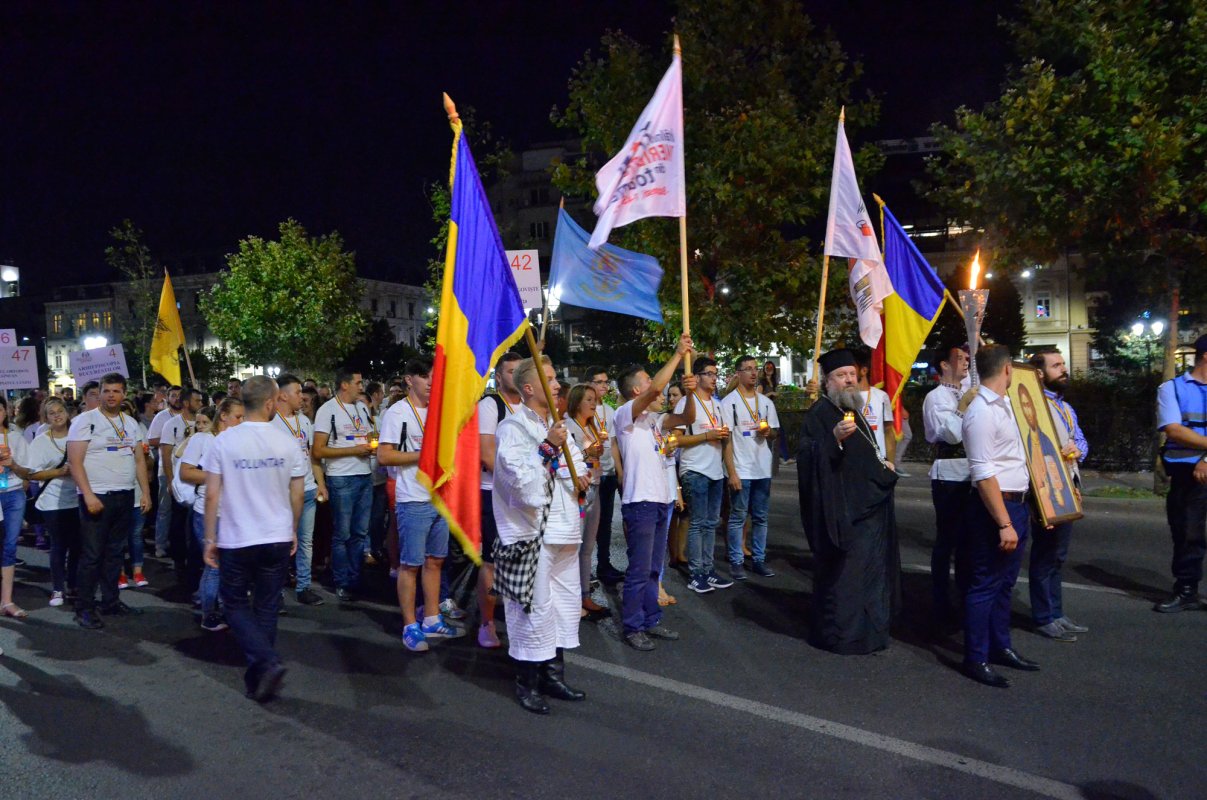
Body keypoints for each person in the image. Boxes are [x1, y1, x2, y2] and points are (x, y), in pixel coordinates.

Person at [491, 355, 591, 713]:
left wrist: (582, 475)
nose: (557, 385)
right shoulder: (513, 428)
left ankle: (553, 676)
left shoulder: (557, 423)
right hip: (534, 533)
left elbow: (578, 467)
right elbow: (523, 486)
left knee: (563, 607)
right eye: (549, 379)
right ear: (529, 388)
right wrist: (548, 447)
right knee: (533, 609)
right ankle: (527, 682)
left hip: (565, 529)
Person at [202, 376, 305, 701]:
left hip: (237, 536)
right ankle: (261, 669)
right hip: (275, 534)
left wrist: (209, 537)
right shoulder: (287, 442)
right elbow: (298, 492)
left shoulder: (224, 441)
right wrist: (292, 528)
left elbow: (211, 495)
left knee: (234, 604)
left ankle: (265, 662)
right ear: (271, 402)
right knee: (266, 605)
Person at [796, 348, 899, 655]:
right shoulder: (820, 414)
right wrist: (833, 440)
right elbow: (807, 458)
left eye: (853, 375)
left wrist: (883, 465)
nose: (849, 381)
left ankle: (870, 633)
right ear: (827, 382)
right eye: (841, 376)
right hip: (843, 515)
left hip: (866, 511)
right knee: (846, 580)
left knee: (869, 576)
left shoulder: (850, 409)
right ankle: (842, 636)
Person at [961, 344, 1039, 687]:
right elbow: (983, 473)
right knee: (985, 583)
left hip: (1018, 504)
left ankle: (1000, 647)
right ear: (1007, 369)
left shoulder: (1007, 405)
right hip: (996, 509)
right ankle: (975, 657)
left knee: (1005, 583)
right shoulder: (981, 412)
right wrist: (1004, 523)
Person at [614, 334, 697, 651]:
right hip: (640, 503)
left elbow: (688, 418)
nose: (654, 385)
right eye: (646, 380)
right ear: (636, 390)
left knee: (652, 568)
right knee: (638, 569)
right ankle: (632, 626)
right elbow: (655, 390)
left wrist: (689, 395)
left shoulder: (657, 421)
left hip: (661, 500)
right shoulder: (626, 416)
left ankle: (650, 620)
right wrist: (678, 355)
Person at [377, 356, 465, 652]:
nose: (431, 383)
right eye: (426, 377)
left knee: (435, 561)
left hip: (440, 498)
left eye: (435, 377)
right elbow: (385, 456)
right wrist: (424, 455)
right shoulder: (397, 412)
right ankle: (409, 626)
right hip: (413, 498)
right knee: (410, 564)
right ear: (409, 380)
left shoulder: (439, 412)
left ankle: (431, 618)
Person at [66, 372, 152, 630]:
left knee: (115, 552)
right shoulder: (84, 421)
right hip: (97, 496)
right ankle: (84, 607)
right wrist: (88, 495)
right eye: (106, 391)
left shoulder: (131, 423)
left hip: (125, 495)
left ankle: (111, 601)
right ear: (99, 393)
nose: (111, 395)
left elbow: (138, 460)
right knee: (92, 555)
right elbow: (75, 462)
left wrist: (145, 492)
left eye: (116, 391)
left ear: (124, 394)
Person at [1028, 347, 1090, 639]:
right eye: (1056, 365)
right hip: (1047, 489)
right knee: (1044, 553)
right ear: (1040, 373)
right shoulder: (1034, 406)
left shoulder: (1066, 407)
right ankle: (1043, 616)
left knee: (1058, 555)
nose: (1063, 369)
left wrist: (1078, 449)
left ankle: (1057, 612)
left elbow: (1081, 442)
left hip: (1069, 487)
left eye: (1063, 363)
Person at [922, 342, 976, 624]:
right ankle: (941, 601)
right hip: (949, 475)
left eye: (967, 358)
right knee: (948, 540)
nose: (966, 361)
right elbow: (951, 435)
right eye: (959, 357)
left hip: (973, 474)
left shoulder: (967, 388)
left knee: (969, 541)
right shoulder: (936, 397)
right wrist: (963, 406)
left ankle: (966, 598)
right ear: (944, 364)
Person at [1154, 333, 1207, 612]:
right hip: (1186, 474)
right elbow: (1173, 430)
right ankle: (1187, 590)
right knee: (1187, 532)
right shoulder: (1171, 388)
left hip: (1200, 469)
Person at [674, 356, 734, 594]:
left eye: (715, 374)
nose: (713, 378)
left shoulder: (717, 405)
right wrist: (706, 437)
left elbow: (726, 439)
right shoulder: (687, 404)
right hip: (695, 470)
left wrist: (732, 472)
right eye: (709, 373)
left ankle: (708, 570)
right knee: (698, 523)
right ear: (696, 377)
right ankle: (696, 573)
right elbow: (676, 440)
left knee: (711, 524)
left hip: (716, 471)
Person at [313, 370, 374, 602]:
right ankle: (341, 581)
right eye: (358, 382)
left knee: (360, 533)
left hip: (365, 475)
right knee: (343, 533)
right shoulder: (327, 410)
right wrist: (353, 450)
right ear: (345, 385)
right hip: (341, 478)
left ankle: (355, 578)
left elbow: (368, 436)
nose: (362, 385)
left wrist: (371, 445)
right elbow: (318, 450)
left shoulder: (361, 407)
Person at [476, 351, 523, 648]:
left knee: (520, 559)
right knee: (492, 562)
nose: (515, 377)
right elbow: (486, 453)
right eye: (510, 371)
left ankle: (518, 619)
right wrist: (516, 483)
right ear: (499, 375)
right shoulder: (491, 405)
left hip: (524, 497)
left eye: (520, 371)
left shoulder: (532, 407)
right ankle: (486, 623)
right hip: (494, 493)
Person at [721, 354, 781, 581]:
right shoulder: (729, 403)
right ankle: (736, 561)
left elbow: (775, 432)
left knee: (761, 517)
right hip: (741, 469)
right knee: (737, 516)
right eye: (747, 369)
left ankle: (758, 560)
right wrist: (732, 472)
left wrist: (769, 433)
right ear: (738, 373)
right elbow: (726, 440)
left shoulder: (765, 402)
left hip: (762, 468)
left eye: (755, 368)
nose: (753, 373)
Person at [271, 375, 327, 606]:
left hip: (307, 489)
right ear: (282, 395)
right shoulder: (270, 423)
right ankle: (277, 592)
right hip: (282, 494)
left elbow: (312, 456)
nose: (302, 397)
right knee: (280, 543)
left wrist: (320, 483)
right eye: (296, 392)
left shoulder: (305, 422)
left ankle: (304, 586)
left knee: (305, 541)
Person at [179, 403, 234, 630]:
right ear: (223, 416)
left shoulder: (236, 440)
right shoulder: (202, 440)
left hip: (232, 512)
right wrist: (218, 476)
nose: (243, 421)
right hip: (207, 512)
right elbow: (186, 471)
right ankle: (209, 613)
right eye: (238, 416)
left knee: (223, 565)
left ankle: (212, 602)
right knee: (214, 565)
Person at [27, 398, 79, 607]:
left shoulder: (78, 436)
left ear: (67, 413)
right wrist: (59, 472)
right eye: (51, 413)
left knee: (78, 545)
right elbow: (34, 474)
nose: (57, 415)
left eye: (60, 411)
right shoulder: (41, 441)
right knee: (58, 545)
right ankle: (58, 588)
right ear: (46, 418)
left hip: (77, 497)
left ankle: (73, 583)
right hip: (52, 501)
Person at [564, 382, 607, 617]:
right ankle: (572, 600)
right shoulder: (569, 426)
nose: (594, 403)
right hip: (579, 491)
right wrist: (587, 453)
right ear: (577, 402)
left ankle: (584, 595)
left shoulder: (592, 426)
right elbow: (567, 461)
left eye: (594, 399)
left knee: (588, 546)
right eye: (588, 399)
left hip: (595, 486)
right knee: (574, 546)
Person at [583, 366, 624, 586]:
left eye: (606, 382)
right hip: (589, 475)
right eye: (599, 382)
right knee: (586, 524)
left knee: (605, 522)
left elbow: (614, 444)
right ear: (588, 383)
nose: (604, 386)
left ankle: (604, 564)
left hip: (607, 472)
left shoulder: (609, 410)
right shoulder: (580, 410)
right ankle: (583, 568)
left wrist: (619, 471)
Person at [0, 398, 33, 617]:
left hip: (12, 495)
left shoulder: (15, 437)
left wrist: (12, 465)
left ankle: (7, 601)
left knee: (9, 547)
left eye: (0, 409)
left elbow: (27, 473)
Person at [147, 385, 182, 559]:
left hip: (184, 470)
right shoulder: (162, 417)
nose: (176, 399)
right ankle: (160, 544)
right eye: (173, 396)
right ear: (167, 398)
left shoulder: (190, 416)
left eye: (179, 396)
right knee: (165, 509)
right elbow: (151, 440)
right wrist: (170, 438)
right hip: (165, 469)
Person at [854, 347, 896, 465]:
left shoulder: (881, 396)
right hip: (853, 462)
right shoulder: (842, 397)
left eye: (852, 370)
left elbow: (888, 431)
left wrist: (891, 464)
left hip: (877, 462)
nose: (848, 375)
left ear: (863, 370)